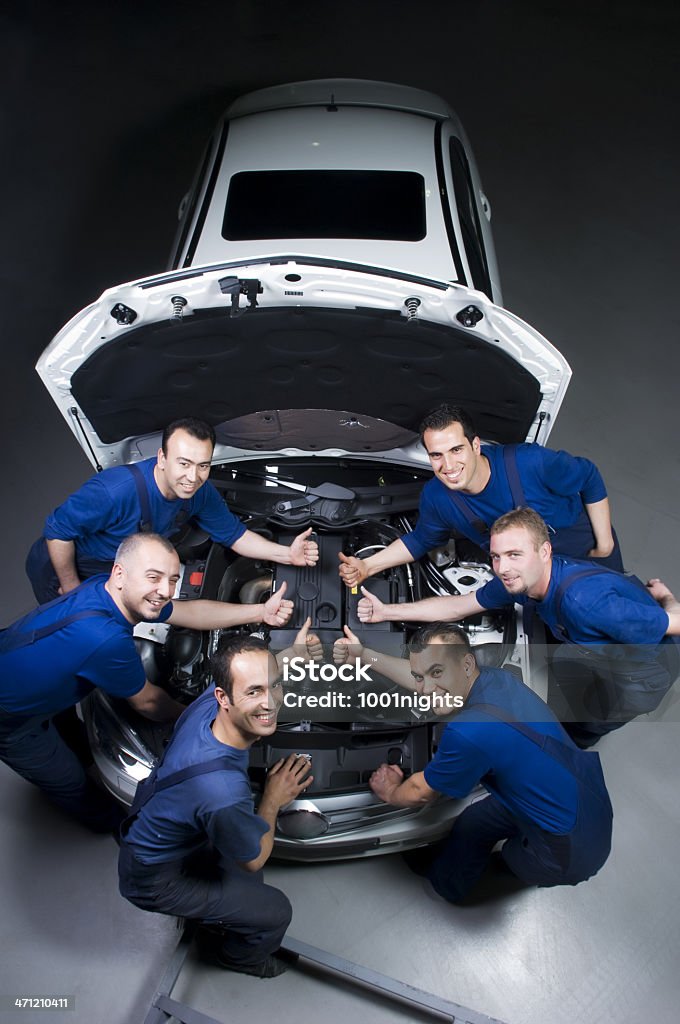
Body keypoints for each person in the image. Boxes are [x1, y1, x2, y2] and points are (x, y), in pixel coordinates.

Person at [0, 533, 293, 831]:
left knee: (67, 724)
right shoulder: (105, 639)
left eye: (172, 580)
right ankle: (112, 825)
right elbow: (150, 704)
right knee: (69, 781)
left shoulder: (103, 589)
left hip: (17, 660)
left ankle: (71, 739)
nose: (164, 591)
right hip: (10, 719)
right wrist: (219, 714)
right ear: (119, 573)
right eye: (154, 577)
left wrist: (259, 611)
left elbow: (188, 612)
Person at [334, 623, 612, 904]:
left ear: (466, 664)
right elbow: (425, 677)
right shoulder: (495, 679)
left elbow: (421, 791)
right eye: (422, 676)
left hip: (572, 846)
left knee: (514, 858)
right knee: (474, 823)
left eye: (437, 672)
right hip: (575, 787)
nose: (427, 690)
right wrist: (364, 655)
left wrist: (391, 791)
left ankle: (449, 886)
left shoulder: (469, 731)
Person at [357, 507, 680, 747]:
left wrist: (668, 605)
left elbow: (672, 626)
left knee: (590, 721)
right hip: (592, 649)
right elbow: (458, 606)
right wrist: (386, 611)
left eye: (514, 554)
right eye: (496, 556)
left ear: (544, 551)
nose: (503, 567)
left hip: (639, 674)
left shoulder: (584, 602)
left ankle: (575, 742)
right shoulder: (519, 579)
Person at [118, 633, 313, 978]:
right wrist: (272, 799)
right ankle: (241, 958)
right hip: (156, 878)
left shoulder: (209, 702)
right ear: (225, 697)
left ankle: (221, 913)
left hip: (173, 831)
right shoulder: (221, 792)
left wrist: (293, 653)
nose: (271, 703)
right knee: (275, 910)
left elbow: (255, 675)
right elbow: (253, 860)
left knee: (242, 883)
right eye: (254, 692)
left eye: (275, 685)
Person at [26, 416, 318, 604]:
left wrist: (286, 554)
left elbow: (234, 535)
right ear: (162, 457)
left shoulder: (199, 492)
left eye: (203, 465)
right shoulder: (114, 491)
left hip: (120, 570)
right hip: (65, 567)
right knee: (71, 636)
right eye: (184, 463)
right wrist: (72, 587)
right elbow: (58, 530)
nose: (193, 477)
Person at [338, 403, 622, 590]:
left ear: (475, 445)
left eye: (456, 450)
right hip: (527, 578)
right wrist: (367, 565)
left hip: (585, 552)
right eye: (436, 455)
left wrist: (605, 544)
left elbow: (589, 476)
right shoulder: (438, 497)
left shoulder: (530, 462)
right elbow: (421, 539)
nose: (447, 467)